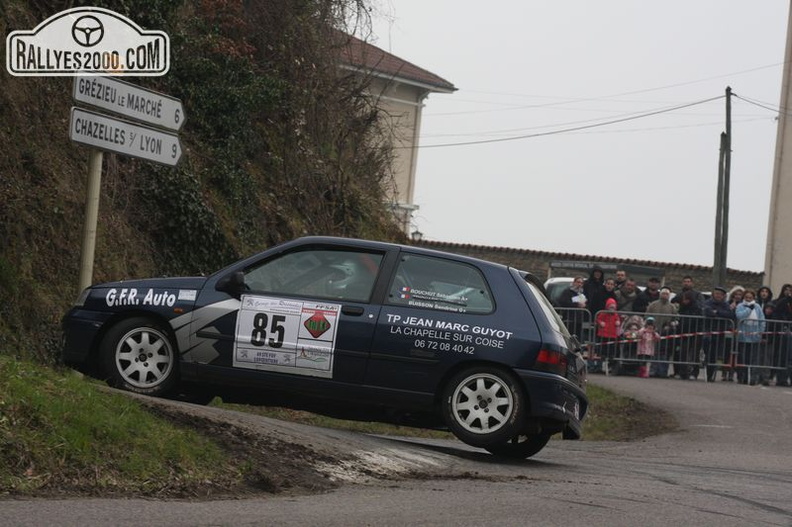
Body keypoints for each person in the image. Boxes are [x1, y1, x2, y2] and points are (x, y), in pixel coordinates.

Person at [702, 286, 736, 382]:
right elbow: (707, 311)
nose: (718, 296)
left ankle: (710, 375)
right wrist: (717, 313)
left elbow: (730, 314)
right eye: (716, 293)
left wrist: (717, 312)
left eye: (720, 294)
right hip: (708, 330)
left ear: (723, 296)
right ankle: (704, 364)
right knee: (707, 349)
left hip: (720, 332)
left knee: (714, 354)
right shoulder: (707, 302)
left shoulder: (725, 305)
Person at [735, 289, 766, 385]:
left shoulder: (757, 307)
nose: (748, 299)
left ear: (753, 298)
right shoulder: (740, 306)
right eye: (746, 297)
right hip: (743, 337)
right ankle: (742, 377)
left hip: (755, 337)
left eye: (750, 298)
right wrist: (748, 309)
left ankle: (753, 378)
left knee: (754, 359)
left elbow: (762, 320)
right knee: (742, 358)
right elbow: (740, 316)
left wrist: (761, 332)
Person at [646, 287, 678, 378]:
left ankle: (663, 372)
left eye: (667, 294)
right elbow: (647, 316)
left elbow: (676, 318)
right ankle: (653, 371)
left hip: (666, 333)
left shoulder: (672, 307)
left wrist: (671, 324)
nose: (665, 296)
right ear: (660, 294)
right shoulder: (653, 305)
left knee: (664, 353)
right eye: (663, 294)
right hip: (654, 332)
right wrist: (650, 326)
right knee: (654, 352)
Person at [674, 290, 703, 379]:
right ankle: (683, 372)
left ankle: (693, 372)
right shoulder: (682, 307)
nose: (684, 301)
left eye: (686, 299)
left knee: (694, 354)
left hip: (694, 333)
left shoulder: (696, 307)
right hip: (684, 333)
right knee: (683, 352)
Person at [595, 298, 622, 364]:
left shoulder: (616, 314)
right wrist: (600, 322)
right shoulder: (603, 313)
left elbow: (618, 320)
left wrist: (618, 322)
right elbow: (598, 319)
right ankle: (602, 356)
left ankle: (611, 357)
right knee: (603, 346)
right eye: (610, 307)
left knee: (612, 347)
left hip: (612, 334)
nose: (612, 309)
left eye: (613, 307)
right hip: (603, 333)